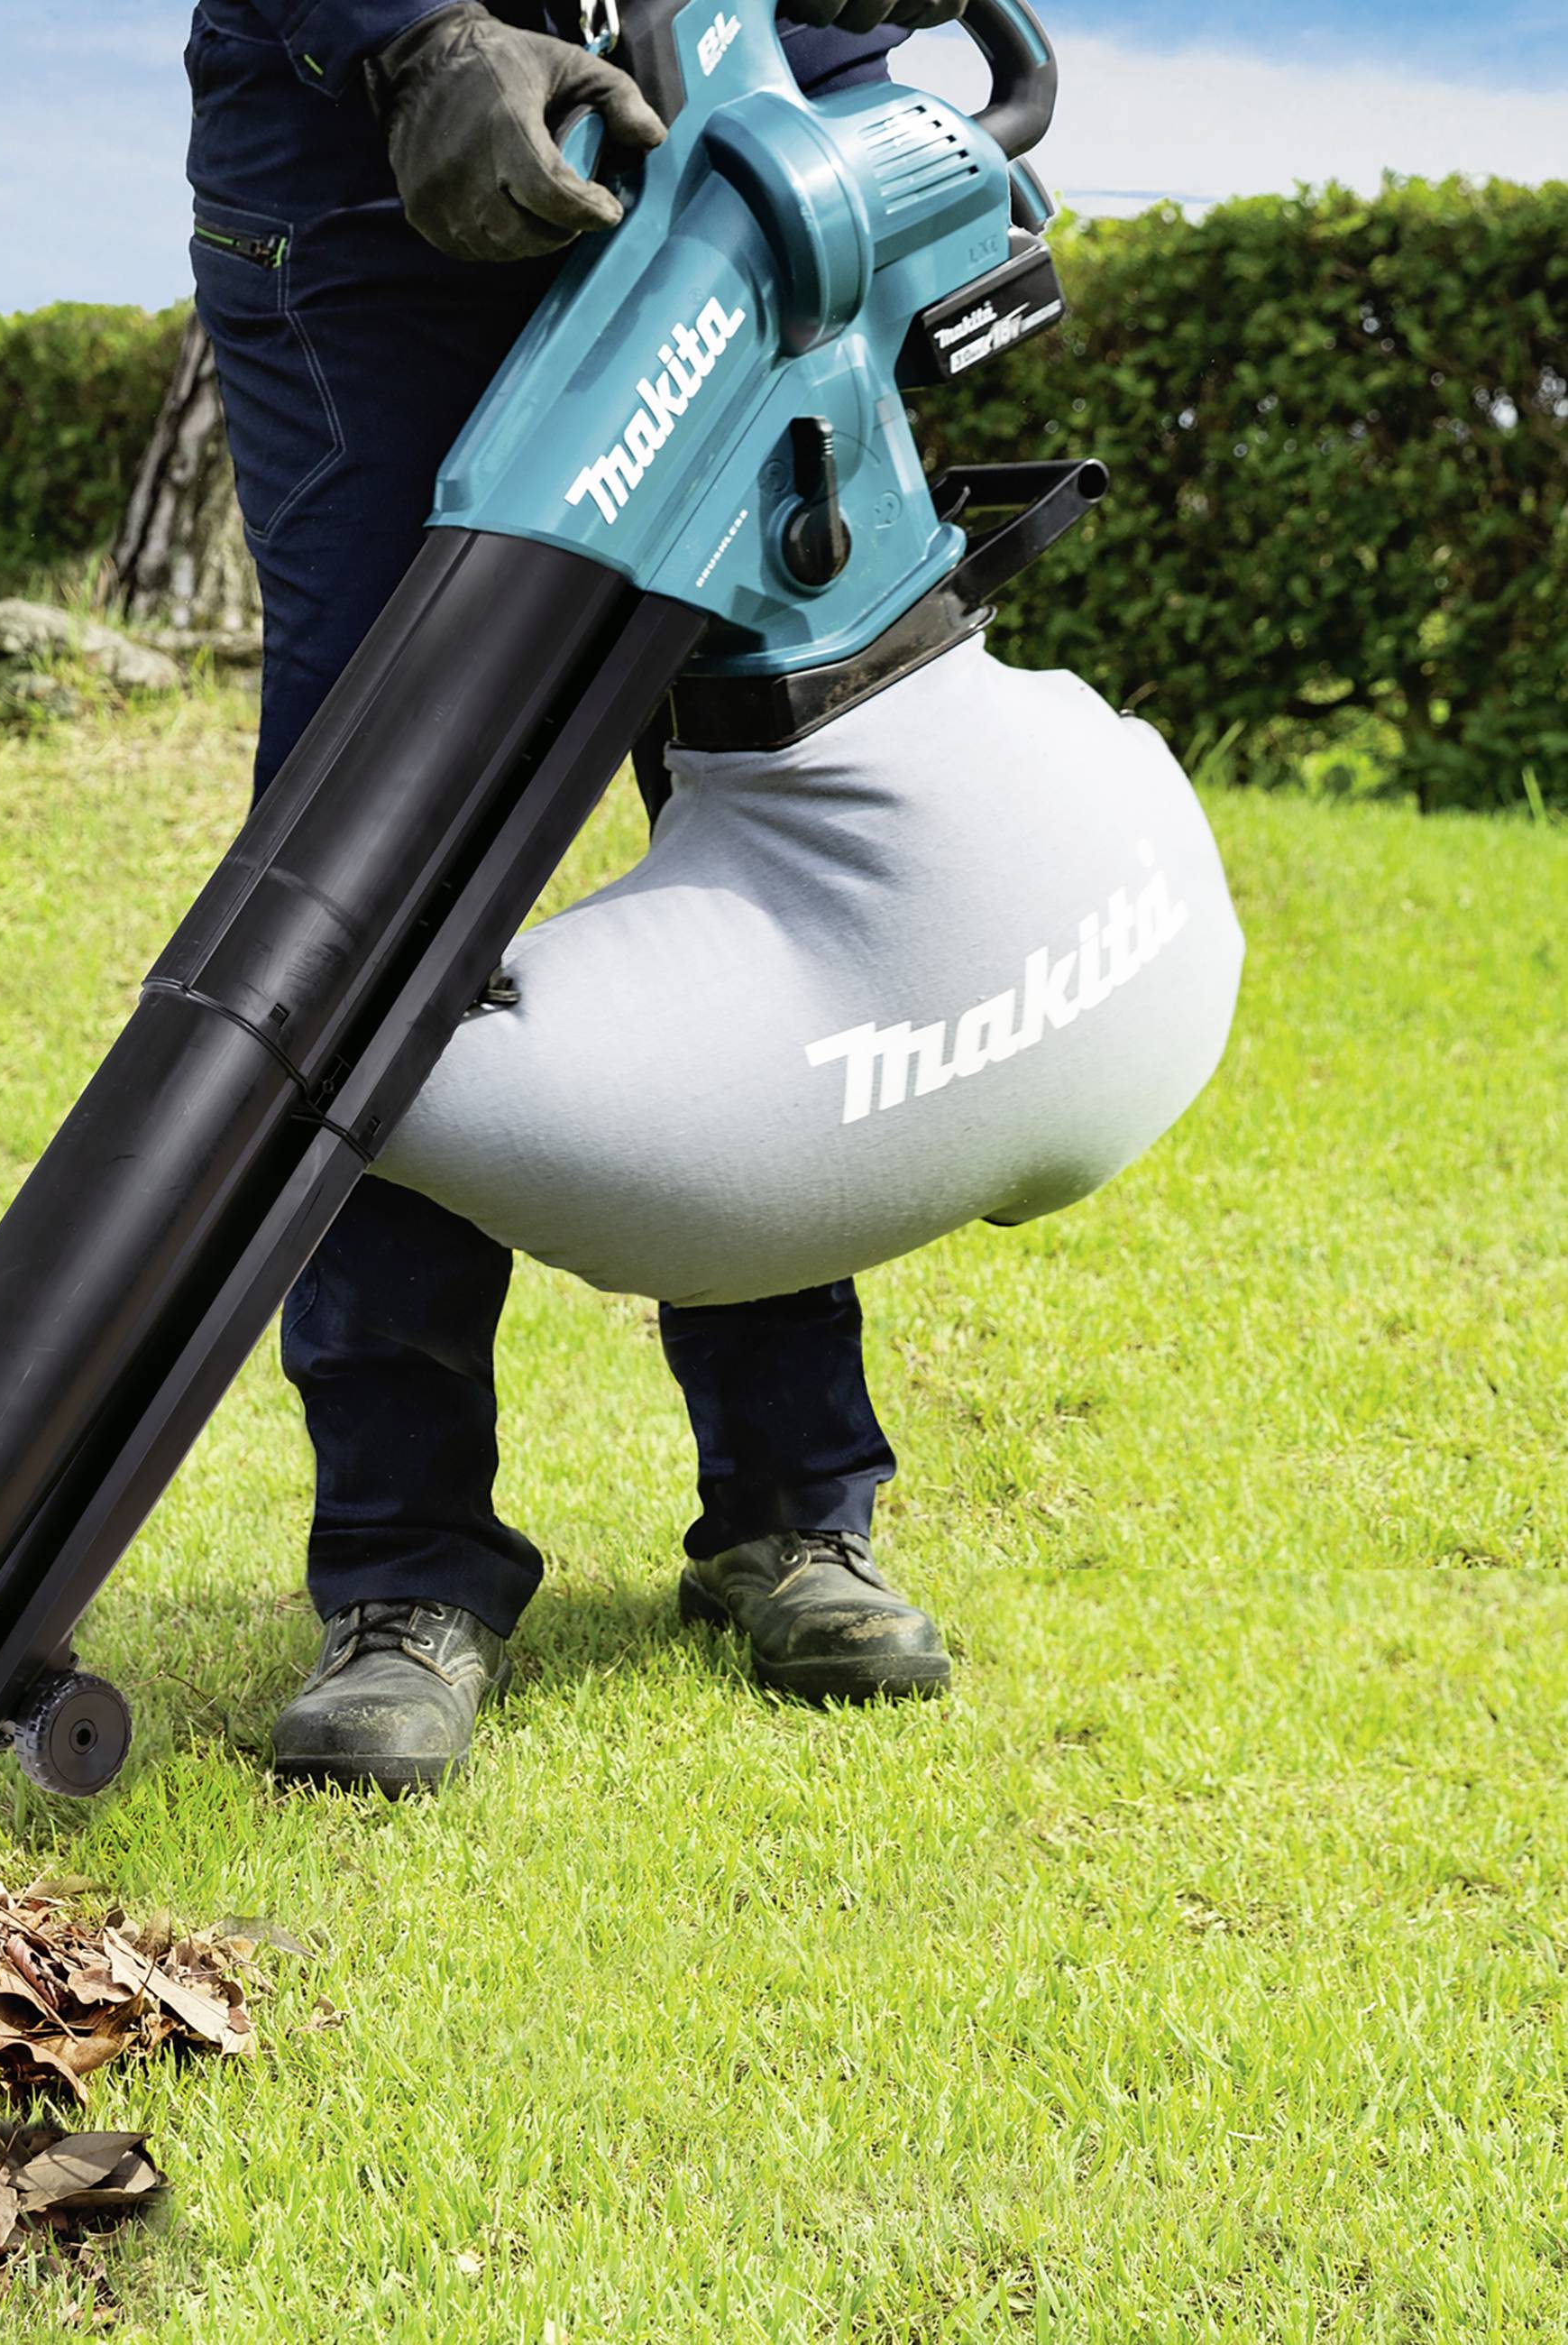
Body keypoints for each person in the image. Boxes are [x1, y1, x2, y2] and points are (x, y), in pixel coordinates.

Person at [187, 0, 966, 1794]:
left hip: (724, 154)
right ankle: (400, 1566)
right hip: (380, 188)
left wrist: (848, 83)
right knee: (383, 857)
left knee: (764, 800)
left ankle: (792, 1507)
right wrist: (409, 35)